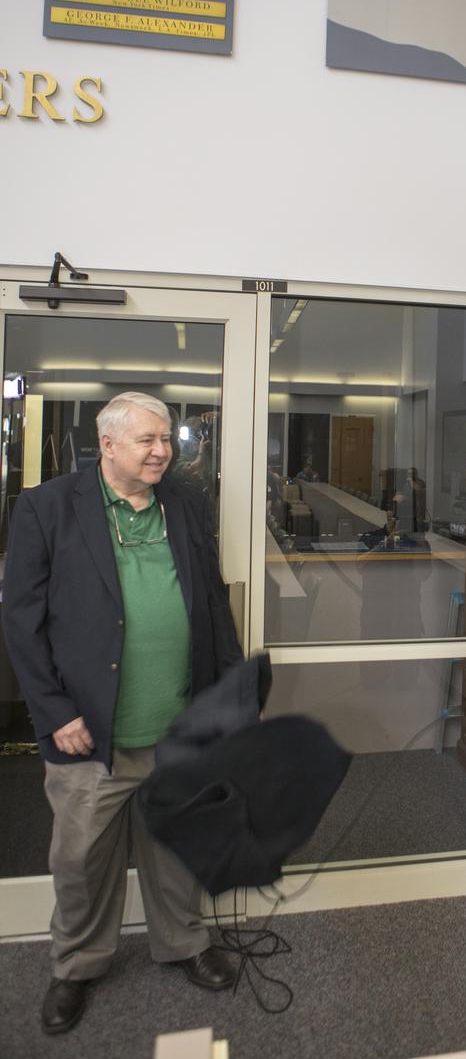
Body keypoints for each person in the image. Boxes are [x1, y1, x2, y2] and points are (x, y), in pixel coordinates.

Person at [2, 392, 243, 1034]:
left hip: (178, 725)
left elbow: (212, 604)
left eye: (165, 438)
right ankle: (77, 965)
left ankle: (184, 943)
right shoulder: (48, 507)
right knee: (81, 862)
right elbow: (21, 622)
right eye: (147, 440)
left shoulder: (185, 505)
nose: (163, 450)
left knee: (175, 850)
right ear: (108, 444)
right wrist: (54, 713)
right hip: (88, 732)